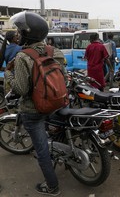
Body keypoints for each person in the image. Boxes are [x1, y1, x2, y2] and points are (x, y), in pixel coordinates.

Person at [4, 11, 66, 196]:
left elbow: (21, 89)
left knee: (41, 150)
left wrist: (8, 74)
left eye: (20, 31)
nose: (18, 35)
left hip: (33, 109)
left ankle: (52, 187)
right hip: (57, 102)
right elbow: (62, 76)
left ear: (28, 34)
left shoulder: (23, 57)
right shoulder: (54, 51)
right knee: (54, 130)